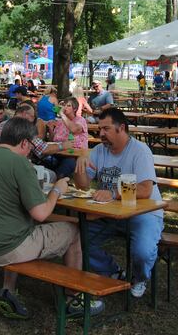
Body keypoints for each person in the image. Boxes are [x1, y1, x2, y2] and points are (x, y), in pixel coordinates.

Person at [0, 117, 103, 319]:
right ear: (24, 143)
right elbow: (41, 213)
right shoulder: (19, 162)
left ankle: (8, 290)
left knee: (20, 225)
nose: (31, 152)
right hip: (1, 246)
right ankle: (74, 300)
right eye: (31, 146)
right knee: (73, 232)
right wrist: (57, 190)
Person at [73, 108, 164, 299]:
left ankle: (139, 278)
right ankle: (113, 272)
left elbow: (146, 190)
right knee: (77, 239)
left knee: (142, 251)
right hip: (110, 213)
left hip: (143, 213)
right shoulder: (99, 150)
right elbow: (82, 185)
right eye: (100, 129)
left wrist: (113, 194)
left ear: (121, 128)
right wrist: (80, 163)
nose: (101, 134)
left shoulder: (140, 151)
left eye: (106, 129)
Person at [0, 104, 73, 181]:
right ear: (24, 114)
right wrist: (63, 146)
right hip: (17, 166)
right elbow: (42, 149)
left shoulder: (1, 125)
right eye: (33, 117)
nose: (33, 120)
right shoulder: (24, 127)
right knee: (51, 175)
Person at [48, 98, 87, 178]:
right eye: (64, 105)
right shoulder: (60, 122)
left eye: (68, 105)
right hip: (58, 152)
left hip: (73, 155)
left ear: (75, 109)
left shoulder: (80, 120)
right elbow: (52, 140)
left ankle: (58, 182)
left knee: (65, 167)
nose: (65, 107)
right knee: (44, 161)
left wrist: (61, 114)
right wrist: (50, 129)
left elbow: (73, 130)